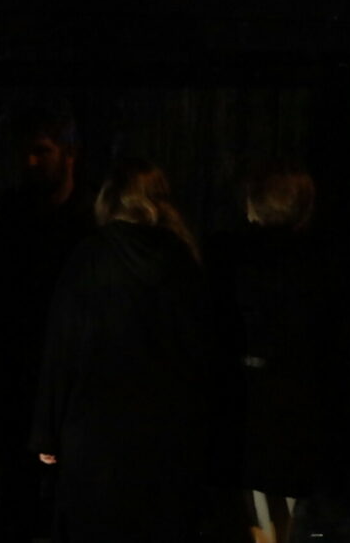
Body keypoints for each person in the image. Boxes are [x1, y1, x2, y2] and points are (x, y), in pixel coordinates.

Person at [29, 158, 212, 543]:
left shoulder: (90, 256)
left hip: (94, 435)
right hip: (166, 435)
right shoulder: (184, 260)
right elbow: (200, 353)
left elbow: (62, 346)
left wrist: (46, 431)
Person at [0, 104, 95, 542]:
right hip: (15, 383)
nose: (31, 162)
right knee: (14, 499)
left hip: (68, 385)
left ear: (69, 154)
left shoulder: (90, 223)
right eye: (27, 152)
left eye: (42, 151)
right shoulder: (9, 216)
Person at [232, 166, 350, 543]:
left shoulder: (235, 263)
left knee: (262, 516)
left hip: (252, 416)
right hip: (306, 419)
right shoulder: (328, 266)